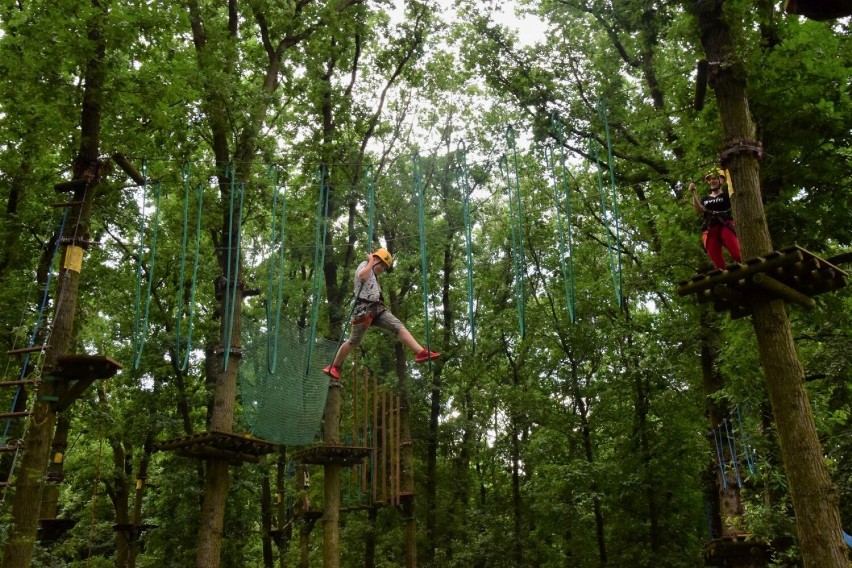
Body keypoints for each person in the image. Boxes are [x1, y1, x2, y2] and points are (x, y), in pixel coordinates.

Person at [322, 248, 440, 380]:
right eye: (382, 264)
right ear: (376, 259)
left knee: (398, 326)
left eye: (385, 267)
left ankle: (420, 352)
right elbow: (362, 276)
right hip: (362, 310)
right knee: (354, 341)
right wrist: (371, 261)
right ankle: (334, 366)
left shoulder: (375, 276)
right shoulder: (365, 265)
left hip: (376, 309)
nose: (383, 268)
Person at [689, 169, 742, 270]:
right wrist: (694, 193)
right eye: (709, 180)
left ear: (721, 180)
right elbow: (698, 210)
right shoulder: (705, 199)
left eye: (714, 178)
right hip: (710, 230)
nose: (711, 181)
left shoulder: (727, 196)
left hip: (725, 225)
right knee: (718, 264)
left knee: (737, 254)